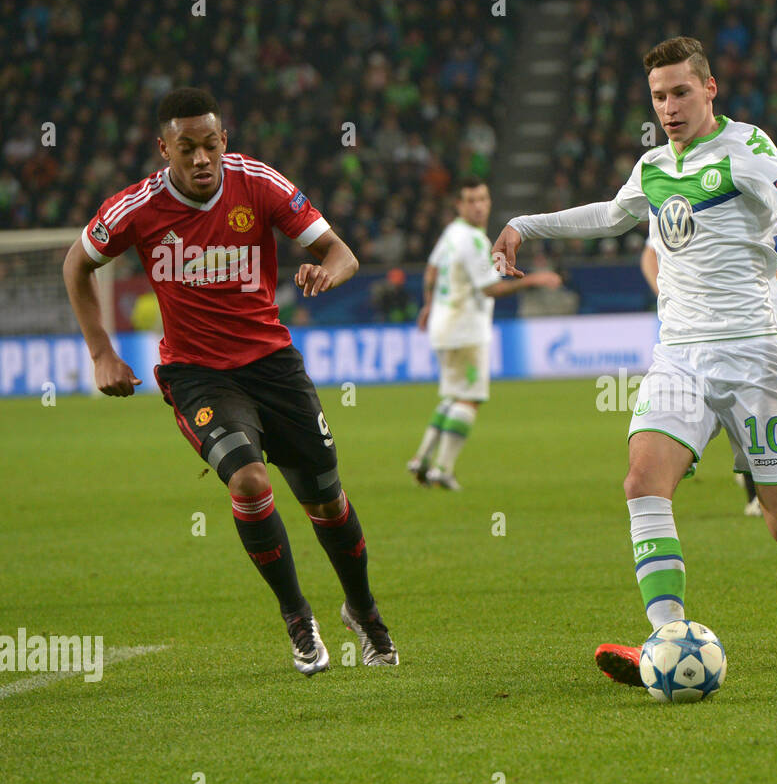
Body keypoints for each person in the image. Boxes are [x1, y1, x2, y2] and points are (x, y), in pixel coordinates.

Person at [492, 37, 777, 687]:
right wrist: (524, 225)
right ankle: (667, 638)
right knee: (642, 483)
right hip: (679, 357)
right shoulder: (652, 164)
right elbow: (610, 215)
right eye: (659, 96)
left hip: (752, 360)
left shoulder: (750, 150)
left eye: (681, 92)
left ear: (709, 89)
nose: (670, 106)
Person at [62, 87, 397, 674]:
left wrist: (328, 272)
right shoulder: (136, 208)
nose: (200, 159)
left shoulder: (259, 183)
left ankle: (364, 612)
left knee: (325, 497)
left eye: (210, 145)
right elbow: (77, 262)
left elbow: (341, 253)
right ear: (163, 148)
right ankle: (297, 617)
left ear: (225, 142)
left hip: (273, 365)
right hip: (198, 376)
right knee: (247, 480)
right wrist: (100, 353)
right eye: (185, 148)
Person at [408, 178, 561, 489]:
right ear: (460, 205)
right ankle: (443, 470)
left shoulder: (451, 233)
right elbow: (491, 289)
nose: (478, 206)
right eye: (471, 200)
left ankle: (421, 459)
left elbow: (431, 270)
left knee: (453, 395)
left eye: (482, 199)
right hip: (465, 329)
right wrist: (534, 281)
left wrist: (427, 306)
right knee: (470, 399)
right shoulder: (475, 241)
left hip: (442, 324)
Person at [641, 243, 777, 516]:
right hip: (705, 324)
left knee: (756, 402)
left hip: (754, 315)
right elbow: (649, 254)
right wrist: (666, 292)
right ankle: (748, 482)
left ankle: (760, 486)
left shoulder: (752, 202)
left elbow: (765, 247)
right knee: (732, 397)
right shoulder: (680, 205)